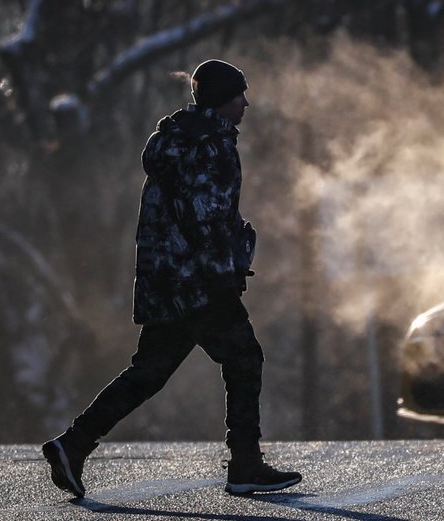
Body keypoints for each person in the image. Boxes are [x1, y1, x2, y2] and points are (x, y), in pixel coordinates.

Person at [42, 59, 301, 498]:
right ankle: (245, 465)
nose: (246, 103)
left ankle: (74, 444)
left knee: (149, 372)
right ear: (221, 99)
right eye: (239, 94)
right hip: (199, 282)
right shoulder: (211, 145)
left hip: (167, 281)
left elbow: (189, 213)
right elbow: (204, 218)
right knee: (244, 359)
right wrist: (227, 266)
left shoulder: (177, 140)